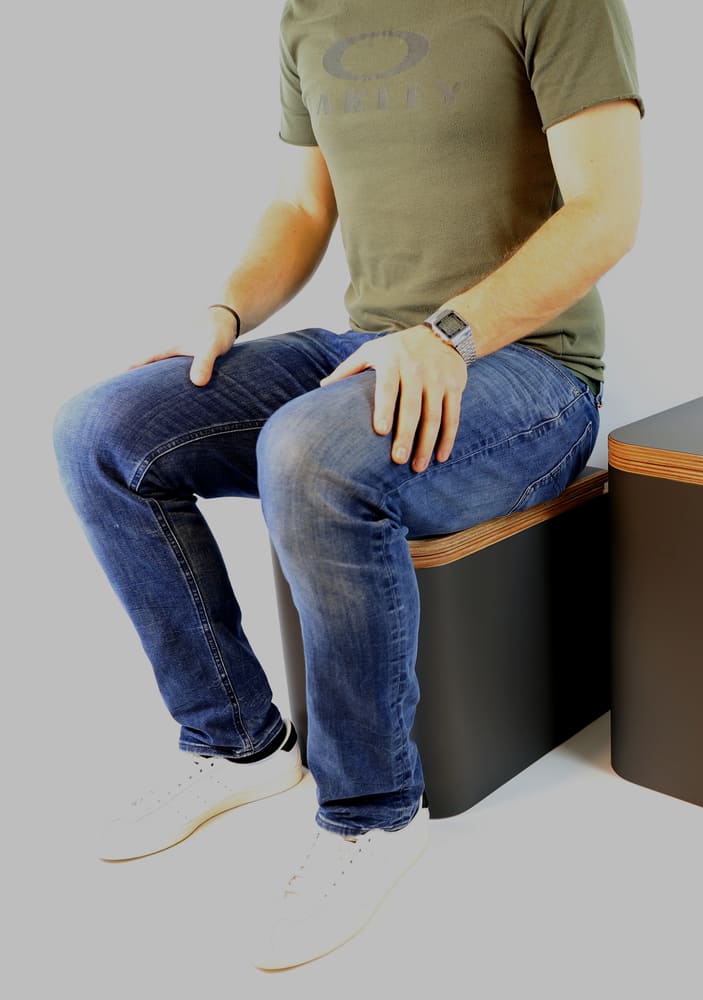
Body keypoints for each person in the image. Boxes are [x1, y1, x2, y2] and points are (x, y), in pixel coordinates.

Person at [54, 0, 642, 970]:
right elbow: (301, 206)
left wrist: (449, 333)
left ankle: (374, 811)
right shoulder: (309, 12)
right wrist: (225, 308)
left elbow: (605, 209)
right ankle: (236, 739)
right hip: (370, 348)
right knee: (99, 431)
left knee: (311, 452)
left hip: (530, 371)